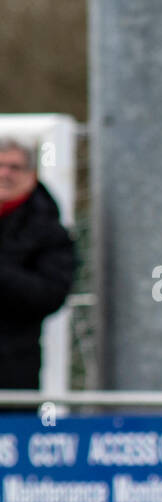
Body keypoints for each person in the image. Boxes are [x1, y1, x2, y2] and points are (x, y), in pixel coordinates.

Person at [0, 137, 76, 391]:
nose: (5, 174)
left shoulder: (48, 230)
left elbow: (51, 294)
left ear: (32, 175)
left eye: (14, 167)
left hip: (12, 369)